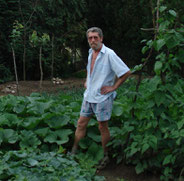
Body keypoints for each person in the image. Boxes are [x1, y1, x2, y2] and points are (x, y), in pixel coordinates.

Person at [71, 27, 131, 169]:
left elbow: (126, 72)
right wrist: (87, 80)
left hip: (102, 98)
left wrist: (114, 87)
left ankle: (105, 155)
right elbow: (89, 70)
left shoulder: (109, 54)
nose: (93, 40)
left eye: (95, 37)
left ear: (101, 38)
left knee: (102, 127)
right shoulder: (90, 52)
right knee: (81, 123)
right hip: (89, 96)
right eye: (90, 38)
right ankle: (73, 151)